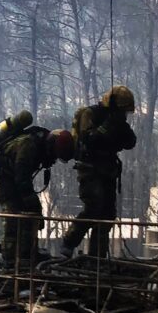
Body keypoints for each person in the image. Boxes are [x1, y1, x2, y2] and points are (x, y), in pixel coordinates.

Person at [60, 86, 137, 258]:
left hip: (108, 170)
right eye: (122, 110)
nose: (124, 114)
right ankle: (68, 243)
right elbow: (89, 139)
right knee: (93, 208)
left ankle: (97, 255)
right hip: (89, 169)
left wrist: (121, 127)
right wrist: (107, 126)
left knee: (108, 214)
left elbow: (131, 142)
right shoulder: (91, 114)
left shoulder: (118, 120)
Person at [0, 127, 74, 263]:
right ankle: (9, 256)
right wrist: (33, 204)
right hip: (2, 174)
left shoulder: (39, 146)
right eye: (55, 155)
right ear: (51, 146)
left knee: (28, 211)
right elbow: (22, 179)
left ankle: (26, 252)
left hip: (13, 174)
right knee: (12, 209)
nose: (53, 159)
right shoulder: (28, 146)